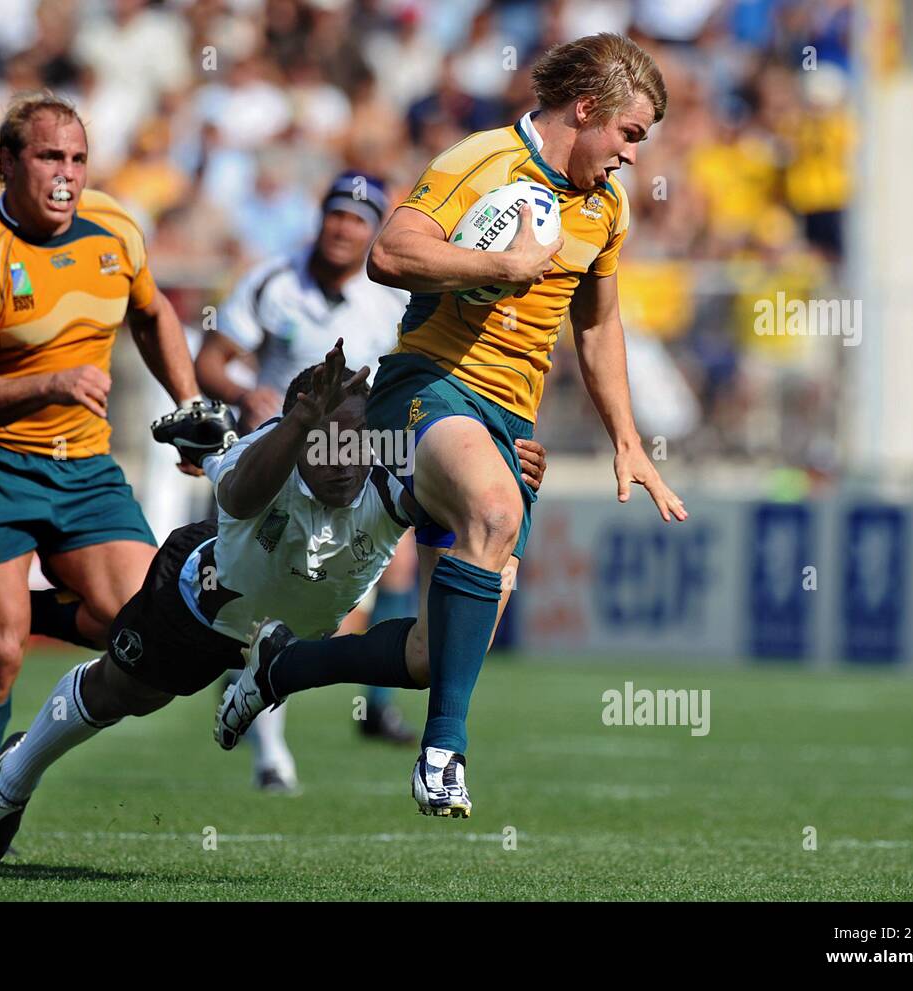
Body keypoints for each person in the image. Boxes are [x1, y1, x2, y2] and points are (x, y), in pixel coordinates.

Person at [226, 34, 688, 819]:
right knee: (496, 510)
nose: (633, 157)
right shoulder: (480, 161)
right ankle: (443, 755)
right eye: (630, 135)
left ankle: (283, 667)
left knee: (436, 654)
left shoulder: (606, 208)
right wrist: (501, 268)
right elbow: (391, 251)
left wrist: (627, 438)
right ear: (588, 109)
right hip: (426, 386)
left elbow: (598, 323)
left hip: (510, 418)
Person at [0, 341, 548, 864]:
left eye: (358, 438)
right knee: (125, 695)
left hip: (290, 629)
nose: (345, 454)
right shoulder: (264, 453)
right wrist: (291, 428)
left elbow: (474, 514)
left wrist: (508, 474)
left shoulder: (395, 469)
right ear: (297, 435)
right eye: (326, 439)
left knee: (437, 655)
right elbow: (239, 494)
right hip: (199, 606)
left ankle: (277, 669)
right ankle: (13, 778)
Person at [0, 92, 210, 854]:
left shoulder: (116, 228)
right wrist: (49, 383)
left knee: (149, 627)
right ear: (8, 163)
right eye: (51, 157)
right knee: (0, 654)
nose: (68, 174)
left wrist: (190, 403)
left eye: (78, 159)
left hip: (82, 464)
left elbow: (153, 314)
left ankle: (9, 617)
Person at [195, 171, 419, 792]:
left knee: (384, 579)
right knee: (265, 604)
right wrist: (245, 391)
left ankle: (373, 708)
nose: (342, 228)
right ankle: (271, 752)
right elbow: (210, 360)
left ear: (375, 231)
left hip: (351, 468)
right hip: (274, 464)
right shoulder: (273, 281)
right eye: (334, 215)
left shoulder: (393, 299)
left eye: (357, 219)